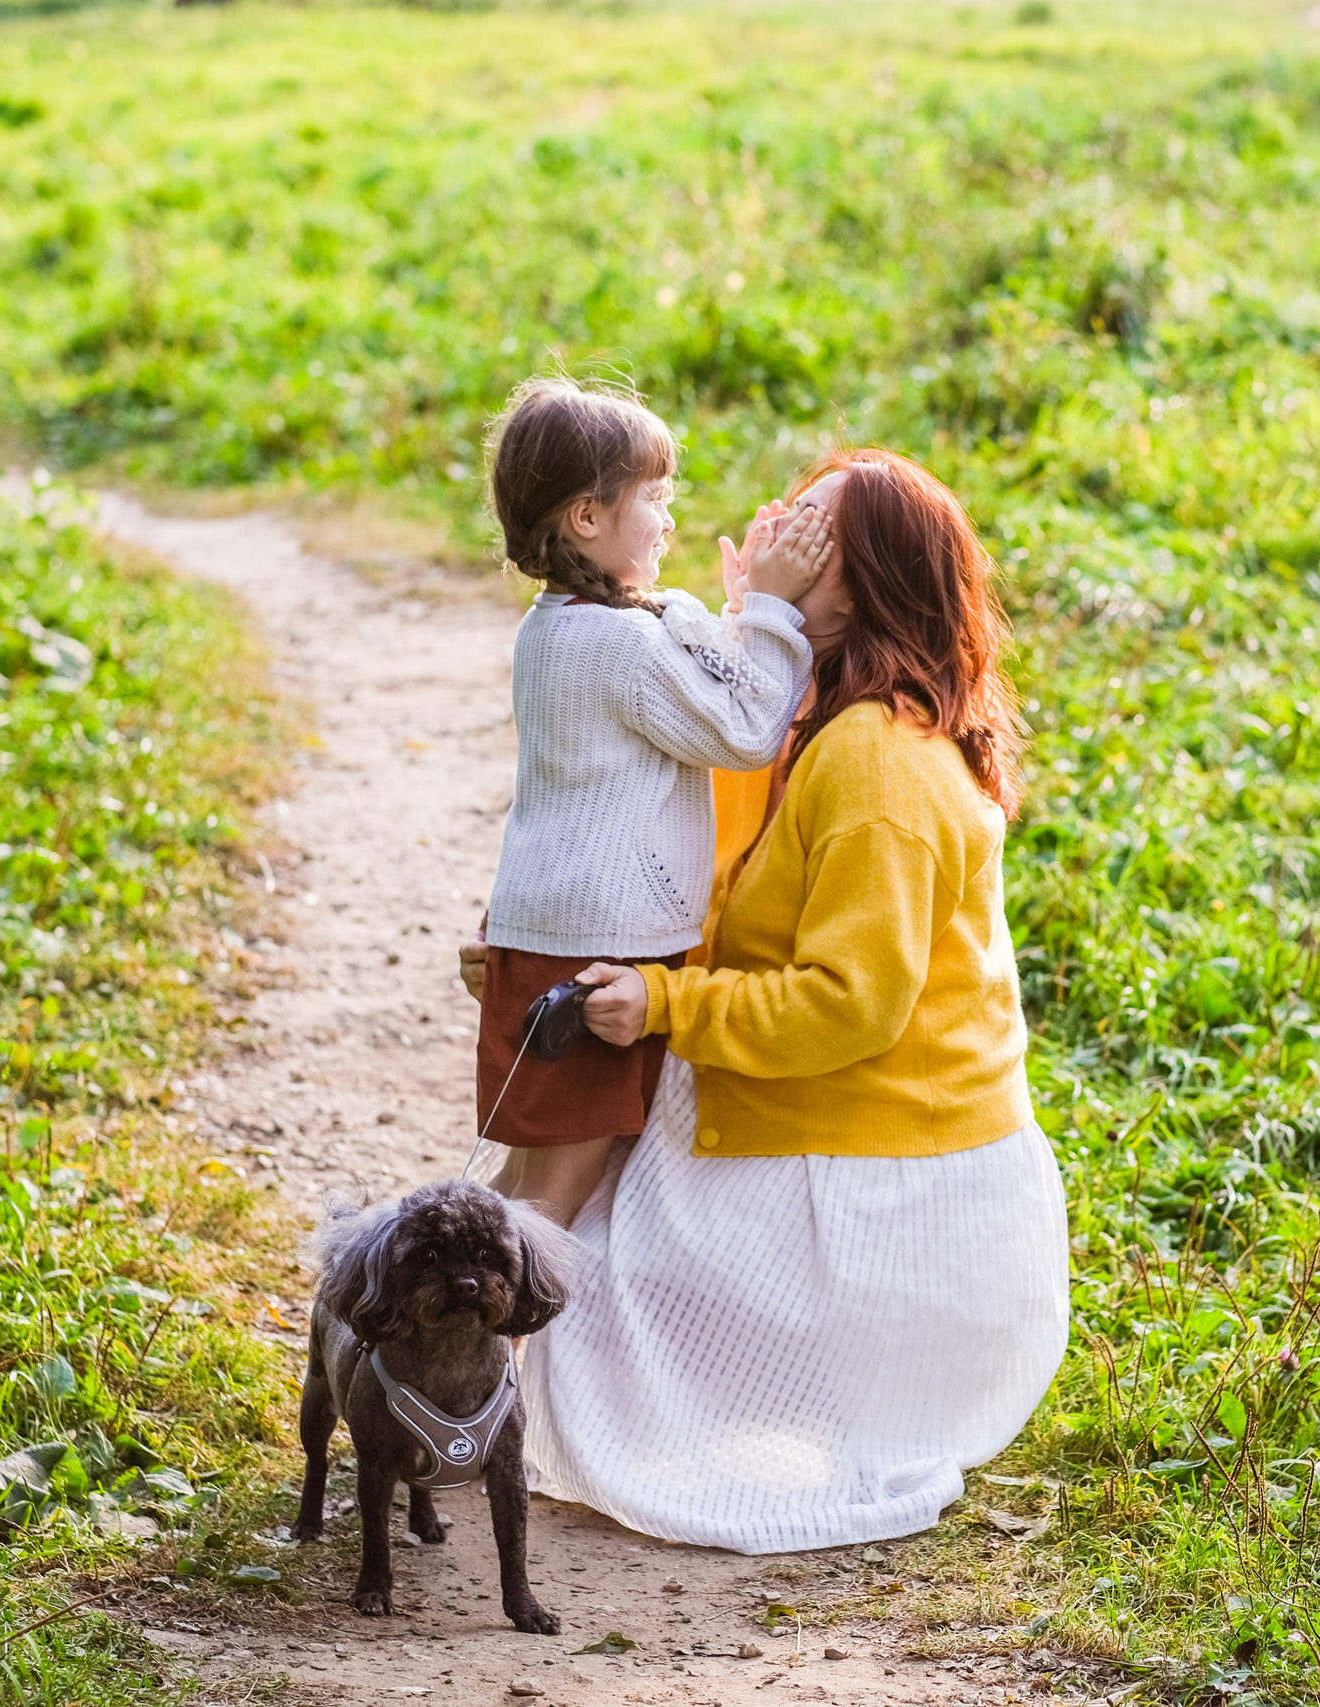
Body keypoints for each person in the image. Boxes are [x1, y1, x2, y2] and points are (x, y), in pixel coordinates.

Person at [516, 448, 1071, 1554]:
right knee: (553, 1188)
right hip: (856, 1148)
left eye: (806, 527)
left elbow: (845, 1008)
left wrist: (670, 1006)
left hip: (883, 1190)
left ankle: (438, 1374)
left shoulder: (875, 761)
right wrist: (750, 621)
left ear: (862, 582)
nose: (774, 526)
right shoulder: (820, 719)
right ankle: (435, 1357)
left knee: (573, 1299)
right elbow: (706, 861)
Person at [472, 376, 830, 1228]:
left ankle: (385, 1313)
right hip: (598, 957)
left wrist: (737, 612)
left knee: (522, 1191)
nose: (669, 519)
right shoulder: (618, 645)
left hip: (557, 942)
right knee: (549, 1208)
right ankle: (471, 1355)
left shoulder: (558, 624)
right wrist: (774, 612)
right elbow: (748, 732)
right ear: (587, 519)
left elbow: (681, 651)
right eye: (654, 499)